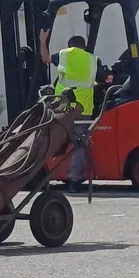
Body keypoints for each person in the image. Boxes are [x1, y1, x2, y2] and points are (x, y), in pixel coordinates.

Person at [39, 30, 100, 193]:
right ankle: (74, 180)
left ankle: (41, 174)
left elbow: (45, 59)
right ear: (84, 47)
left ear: (70, 46)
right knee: (79, 145)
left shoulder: (65, 55)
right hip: (84, 110)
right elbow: (102, 80)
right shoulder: (93, 60)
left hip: (62, 108)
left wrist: (42, 41)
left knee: (49, 139)